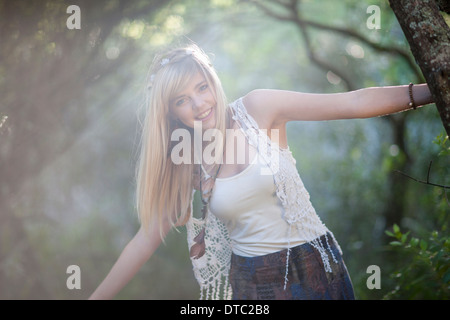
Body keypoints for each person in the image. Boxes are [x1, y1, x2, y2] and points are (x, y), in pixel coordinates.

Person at [89, 43, 433, 300]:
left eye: (201, 87)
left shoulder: (258, 109)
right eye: (181, 100)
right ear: (172, 113)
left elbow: (353, 103)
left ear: (213, 81)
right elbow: (148, 236)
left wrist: (433, 91)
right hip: (252, 283)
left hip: (314, 267)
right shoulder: (187, 157)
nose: (198, 104)